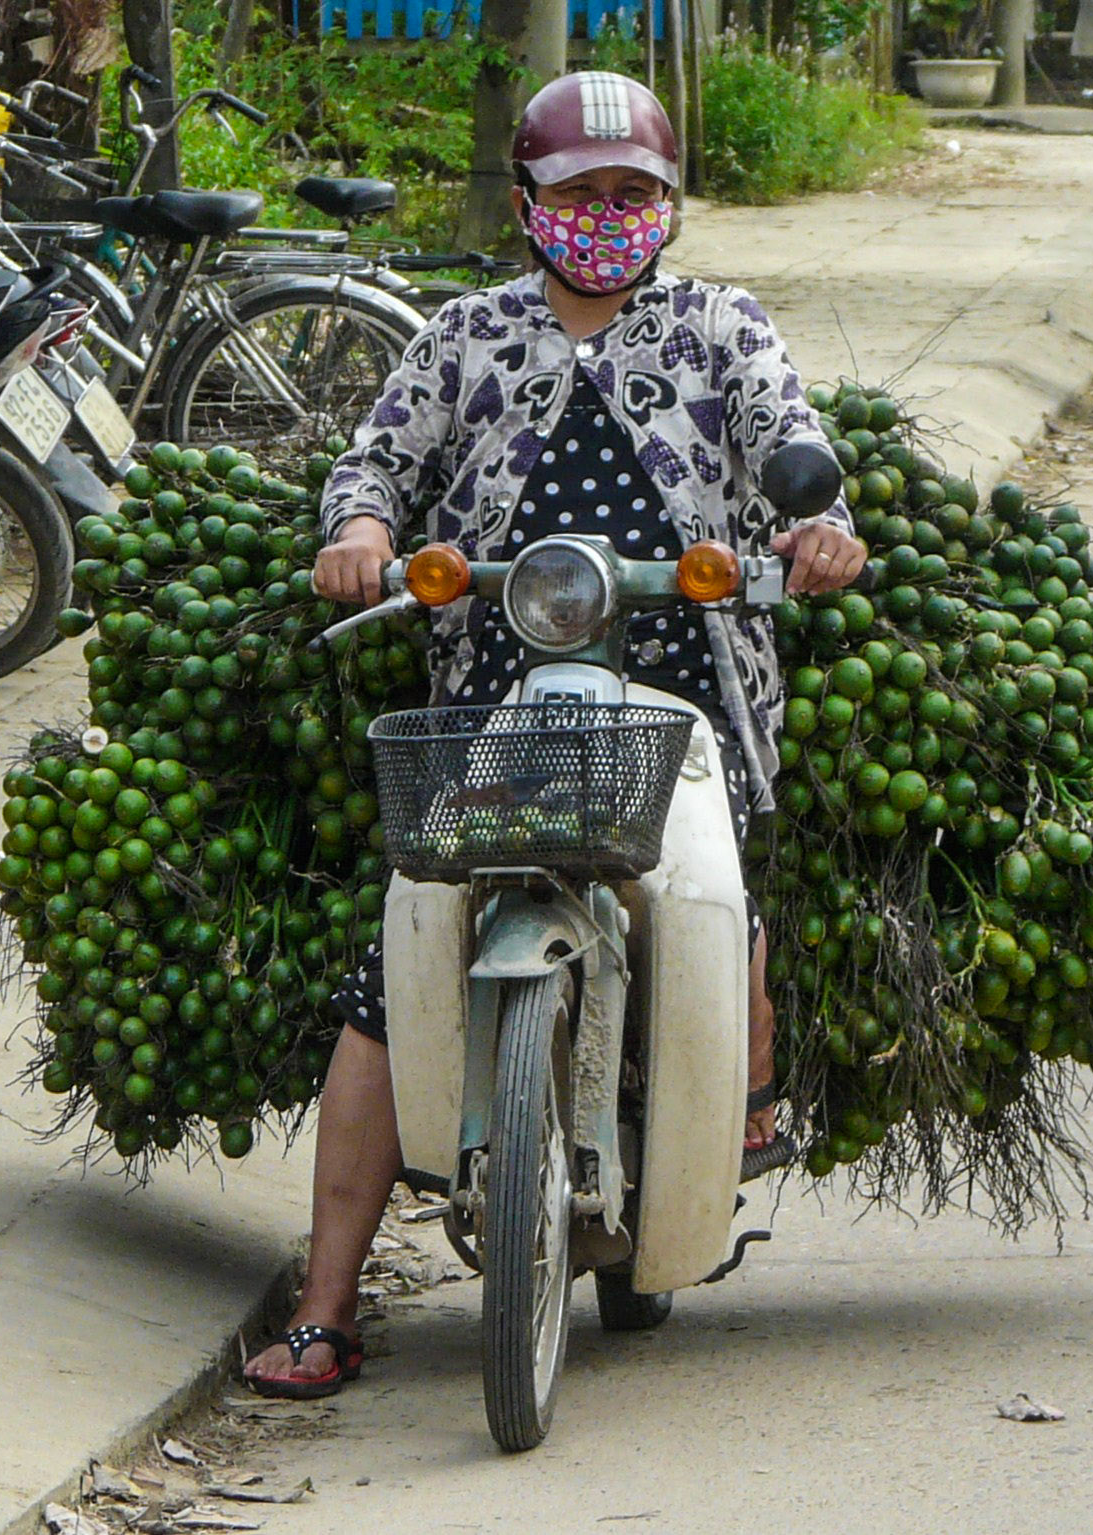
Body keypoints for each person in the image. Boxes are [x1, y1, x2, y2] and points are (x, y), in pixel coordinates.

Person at [243, 70, 868, 1399]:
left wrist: (814, 520)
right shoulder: (464, 335)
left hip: (687, 688)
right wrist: (357, 531)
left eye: (632, 192)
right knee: (393, 954)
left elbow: (786, 435)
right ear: (529, 203)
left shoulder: (719, 324)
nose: (606, 214)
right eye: (581, 193)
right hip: (499, 692)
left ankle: (732, 1103)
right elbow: (374, 461)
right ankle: (324, 1301)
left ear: (670, 207)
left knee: (715, 895)